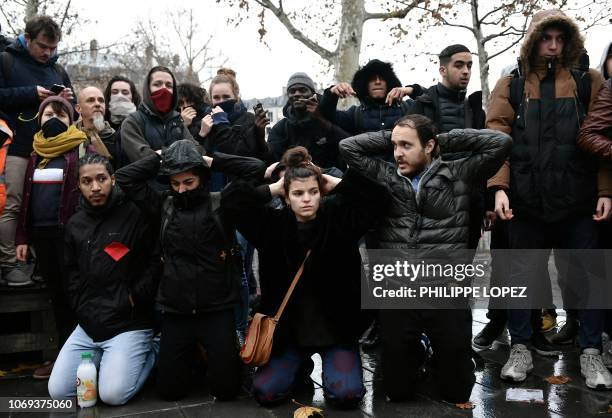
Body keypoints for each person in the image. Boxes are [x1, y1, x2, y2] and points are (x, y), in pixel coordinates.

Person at [339, 114, 511, 404]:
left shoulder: (458, 173)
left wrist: (441, 139)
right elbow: (348, 147)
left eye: (406, 145)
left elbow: (500, 142)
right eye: (394, 146)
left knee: (456, 391)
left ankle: (445, 353)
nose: (397, 153)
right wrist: (395, 135)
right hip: (398, 292)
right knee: (397, 391)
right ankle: (417, 349)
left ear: (430, 145)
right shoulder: (386, 175)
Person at [486, 9, 611, 388]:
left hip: (579, 199)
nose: (553, 46)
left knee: (590, 275)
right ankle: (520, 347)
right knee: (521, 276)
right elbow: (496, 139)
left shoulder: (589, 82)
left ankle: (591, 353)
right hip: (526, 199)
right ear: (533, 40)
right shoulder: (510, 84)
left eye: (560, 38)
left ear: (569, 41)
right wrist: (500, 188)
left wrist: (605, 190)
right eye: (546, 38)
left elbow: (602, 137)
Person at [220, 146, 390, 408]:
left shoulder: (339, 220)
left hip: (336, 328)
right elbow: (231, 202)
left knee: (345, 396)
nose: (307, 199)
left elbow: (380, 198)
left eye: (313, 192)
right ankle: (299, 368)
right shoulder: (271, 225)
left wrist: (338, 183)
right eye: (298, 193)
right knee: (266, 393)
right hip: (287, 331)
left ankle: (334, 367)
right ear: (287, 198)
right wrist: (273, 187)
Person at [115, 139, 262, 401]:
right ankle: (179, 356)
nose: (181, 190)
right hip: (176, 309)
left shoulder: (222, 203)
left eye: (188, 182)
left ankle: (210, 359)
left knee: (226, 390)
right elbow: (124, 178)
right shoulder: (163, 205)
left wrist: (211, 160)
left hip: (216, 308)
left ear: (202, 179)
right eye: (175, 183)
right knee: (170, 392)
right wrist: (160, 157)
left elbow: (255, 168)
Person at [48, 154, 160, 405]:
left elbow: (154, 261)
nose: (95, 187)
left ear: (113, 179)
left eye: (101, 179)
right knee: (59, 392)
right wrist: (81, 305)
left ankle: (152, 351)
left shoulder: (135, 214)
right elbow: (70, 273)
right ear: (79, 185)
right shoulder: (75, 223)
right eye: (87, 181)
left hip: (128, 322)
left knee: (112, 394)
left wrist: (133, 298)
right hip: (89, 324)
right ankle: (105, 362)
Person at [14, 96, 106, 379]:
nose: (54, 119)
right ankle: (64, 359)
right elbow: (26, 201)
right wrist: (22, 238)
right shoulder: (35, 155)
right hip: (43, 239)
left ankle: (90, 358)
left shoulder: (81, 149)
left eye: (61, 114)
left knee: (76, 295)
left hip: (73, 237)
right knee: (57, 298)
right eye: (48, 114)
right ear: (39, 119)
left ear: (71, 119)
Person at [0, 15, 74, 287]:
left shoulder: (58, 70)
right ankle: (9, 264)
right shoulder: (6, 60)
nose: (48, 53)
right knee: (15, 203)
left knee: (50, 206)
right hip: (19, 146)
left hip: (55, 150)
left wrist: (64, 100)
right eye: (43, 46)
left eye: (53, 48)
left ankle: (41, 262)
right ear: (27, 38)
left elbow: (73, 109)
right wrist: (31, 93)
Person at [267, 72, 348, 169]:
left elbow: (347, 143)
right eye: (292, 91)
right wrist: (259, 133)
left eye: (302, 90)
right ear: (288, 96)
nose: (297, 94)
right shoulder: (281, 127)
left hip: (331, 177)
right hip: (296, 179)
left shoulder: (331, 116)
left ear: (313, 94)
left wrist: (320, 119)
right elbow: (272, 159)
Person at [120, 66, 194, 163]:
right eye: (157, 84)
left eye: (169, 85)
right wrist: (183, 154)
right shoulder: (132, 122)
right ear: (148, 89)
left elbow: (197, 150)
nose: (164, 89)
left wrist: (161, 154)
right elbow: (145, 159)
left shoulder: (177, 120)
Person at [318, 59, 412, 135]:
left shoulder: (408, 108)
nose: (378, 82)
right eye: (372, 79)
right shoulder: (355, 115)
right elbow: (327, 114)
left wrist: (411, 89)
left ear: (389, 82)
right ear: (365, 85)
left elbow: (426, 101)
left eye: (382, 78)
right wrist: (331, 93)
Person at [205, 68, 271, 164]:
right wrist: (201, 135)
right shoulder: (206, 121)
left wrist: (221, 122)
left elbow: (239, 155)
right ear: (210, 99)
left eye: (226, 97)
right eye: (216, 97)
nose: (221, 101)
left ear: (235, 96)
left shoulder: (248, 119)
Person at [75, 86, 114, 162]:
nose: (97, 104)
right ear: (78, 109)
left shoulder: (117, 138)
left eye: (101, 101)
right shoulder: (71, 139)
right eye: (90, 100)